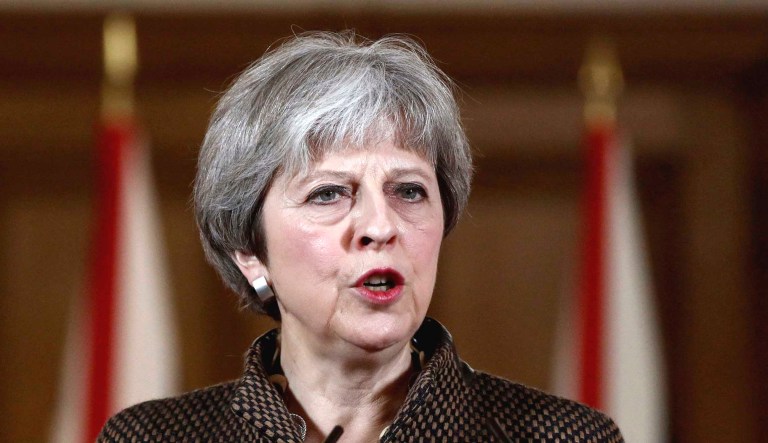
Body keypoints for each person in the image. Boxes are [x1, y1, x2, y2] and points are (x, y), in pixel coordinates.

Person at [98, 31, 623, 442]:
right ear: (251, 252)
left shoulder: (568, 437)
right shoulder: (149, 437)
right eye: (328, 194)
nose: (380, 226)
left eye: (409, 191)